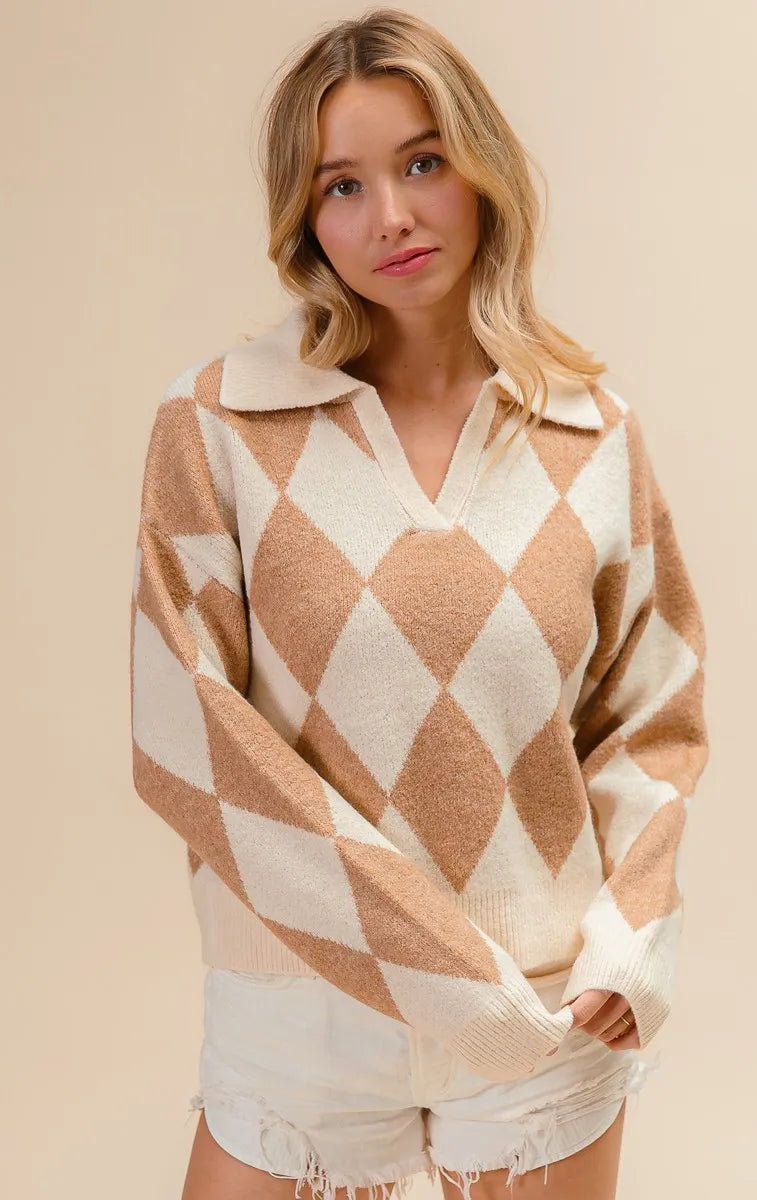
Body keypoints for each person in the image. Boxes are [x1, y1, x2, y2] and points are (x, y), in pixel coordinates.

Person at [128, 9, 710, 1200]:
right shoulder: (219, 423)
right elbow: (179, 730)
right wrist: (437, 967)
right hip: (301, 1001)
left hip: (541, 1010)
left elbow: (652, 713)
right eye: (340, 185)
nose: (387, 215)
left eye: (421, 163)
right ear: (305, 220)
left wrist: (628, 938)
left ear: (481, 169)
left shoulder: (591, 435)